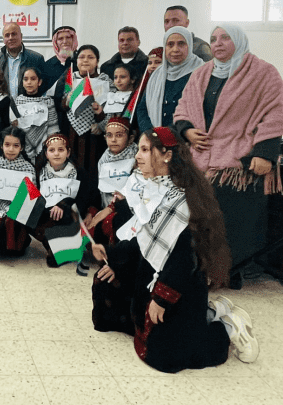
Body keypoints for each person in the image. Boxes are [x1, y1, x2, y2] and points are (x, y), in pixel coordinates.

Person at [91, 127, 259, 372]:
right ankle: (206, 313)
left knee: (165, 358)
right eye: (139, 149)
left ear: (166, 155)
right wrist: (112, 257)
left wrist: (161, 299)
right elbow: (143, 238)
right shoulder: (148, 186)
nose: (137, 156)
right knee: (107, 296)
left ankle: (225, 326)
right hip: (150, 271)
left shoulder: (184, 201)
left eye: (145, 150)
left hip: (178, 282)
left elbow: (185, 258)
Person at [174, 24, 283, 287]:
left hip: (241, 158)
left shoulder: (263, 73)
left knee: (227, 206)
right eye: (213, 39)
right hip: (201, 154)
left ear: (239, 41)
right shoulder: (201, 73)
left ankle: (226, 270)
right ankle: (196, 266)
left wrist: (264, 153)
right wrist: (187, 130)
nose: (218, 43)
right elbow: (183, 107)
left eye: (225, 38)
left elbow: (276, 112)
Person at [32, 133, 95, 270]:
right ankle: (50, 243)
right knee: (23, 206)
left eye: (61, 149)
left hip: (68, 216)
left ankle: (63, 246)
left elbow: (83, 199)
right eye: (52, 150)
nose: (56, 154)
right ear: (46, 154)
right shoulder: (39, 171)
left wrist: (63, 204)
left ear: (68, 152)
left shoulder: (79, 172)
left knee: (54, 260)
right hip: (46, 215)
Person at [52, 45, 112, 173]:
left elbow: (112, 110)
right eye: (81, 57)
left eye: (90, 57)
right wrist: (66, 101)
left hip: (96, 136)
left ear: (97, 61)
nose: (85, 60)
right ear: (77, 61)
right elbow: (58, 105)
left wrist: (101, 122)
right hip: (71, 133)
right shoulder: (69, 79)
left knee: (93, 171)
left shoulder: (106, 81)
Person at [136, 26, 203, 133]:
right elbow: (142, 108)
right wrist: (150, 133)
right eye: (170, 44)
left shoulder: (202, 72)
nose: (175, 49)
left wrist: (174, 133)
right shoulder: (157, 75)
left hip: (187, 137)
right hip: (155, 137)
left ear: (189, 46)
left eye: (181, 44)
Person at [0, 126, 36, 256]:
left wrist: (15, 211)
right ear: (1, 146)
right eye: (7, 145)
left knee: (13, 228)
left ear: (21, 147)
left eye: (16, 145)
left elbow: (31, 196)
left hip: (18, 213)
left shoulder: (28, 169)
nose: (11, 149)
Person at [0, 22, 45, 100]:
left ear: (21, 36)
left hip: (29, 105)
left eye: (14, 34)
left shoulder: (36, 59)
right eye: (7, 35)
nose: (10, 38)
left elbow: (43, 87)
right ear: (3, 39)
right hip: (3, 106)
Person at [14, 67, 58, 160]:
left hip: (43, 148)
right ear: (22, 82)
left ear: (39, 82)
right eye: (26, 79)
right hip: (20, 147)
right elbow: (14, 128)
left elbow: (53, 128)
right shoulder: (17, 102)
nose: (29, 82)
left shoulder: (48, 102)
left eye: (33, 79)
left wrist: (48, 147)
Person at [40, 26, 78, 95]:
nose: (65, 41)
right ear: (55, 42)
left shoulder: (83, 62)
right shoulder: (48, 65)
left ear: (73, 39)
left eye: (68, 37)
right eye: (60, 39)